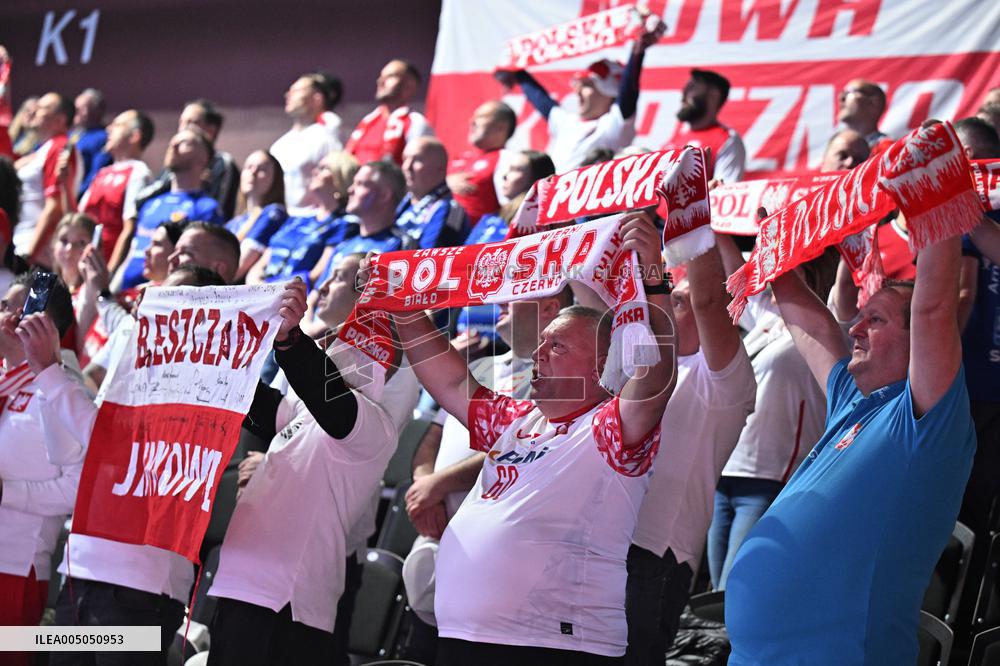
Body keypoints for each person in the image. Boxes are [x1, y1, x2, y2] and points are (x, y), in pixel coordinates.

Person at [391, 211, 676, 664]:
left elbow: (657, 374)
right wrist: (402, 308)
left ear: (602, 363)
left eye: (557, 346)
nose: (538, 354)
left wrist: (654, 279)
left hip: (551, 644)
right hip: (467, 638)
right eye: (541, 344)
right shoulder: (516, 421)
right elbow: (448, 384)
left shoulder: (608, 427)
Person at [725, 220, 977, 663]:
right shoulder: (853, 404)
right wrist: (775, 253)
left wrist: (938, 203)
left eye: (874, 320)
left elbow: (935, 307)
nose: (855, 329)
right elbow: (812, 326)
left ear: (919, 341)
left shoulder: (925, 421)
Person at [33, 268, 287, 666]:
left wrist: (49, 372)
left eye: (167, 298)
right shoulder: (136, 366)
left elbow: (109, 446)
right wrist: (45, 375)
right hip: (81, 571)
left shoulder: (216, 383)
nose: (149, 304)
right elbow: (69, 455)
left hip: (139, 591)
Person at [205, 279, 402, 666]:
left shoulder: (373, 426)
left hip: (287, 604)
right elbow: (254, 401)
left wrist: (290, 340)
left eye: (342, 342)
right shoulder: (308, 410)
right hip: (246, 589)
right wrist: (209, 339)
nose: (330, 343)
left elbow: (327, 395)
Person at [402, 289, 571, 640]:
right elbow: (431, 437)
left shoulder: (557, 382)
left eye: (517, 296)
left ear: (551, 307)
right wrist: (423, 485)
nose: (500, 303)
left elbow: (524, 446)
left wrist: (439, 486)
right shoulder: (476, 366)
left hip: (489, 550)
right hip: (433, 528)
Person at [624, 237, 756, 664]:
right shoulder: (650, 360)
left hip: (657, 556)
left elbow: (707, 301)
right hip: (612, 539)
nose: (664, 306)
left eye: (678, 302)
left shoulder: (723, 378)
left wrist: (693, 225)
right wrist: (647, 265)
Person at [706, 240, 836, 591]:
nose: (771, 272)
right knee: (713, 596)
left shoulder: (826, 327)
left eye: (785, 267)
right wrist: (717, 220)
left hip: (770, 480)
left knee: (734, 591)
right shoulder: (767, 315)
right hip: (726, 471)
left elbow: (846, 297)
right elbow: (738, 272)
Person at [0, 272, 79, 666]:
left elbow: (76, 491)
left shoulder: (59, 392)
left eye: (21, 308)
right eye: (4, 306)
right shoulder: (3, 382)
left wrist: (7, 492)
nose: (8, 316)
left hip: (15, 566)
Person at [498, 17, 663, 172]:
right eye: (578, 85)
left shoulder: (613, 126)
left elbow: (628, 94)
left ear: (609, 91)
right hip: (551, 197)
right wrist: (516, 70)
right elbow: (541, 100)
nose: (577, 91)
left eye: (587, 85)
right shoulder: (567, 122)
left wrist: (637, 50)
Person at [454, 150, 556, 352]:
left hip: (508, 341)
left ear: (537, 179)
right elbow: (459, 268)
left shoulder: (543, 225)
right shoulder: (488, 220)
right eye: (506, 169)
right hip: (465, 334)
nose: (505, 176)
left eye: (517, 170)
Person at [112, 127, 223, 292]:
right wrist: (112, 287)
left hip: (163, 298)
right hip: (126, 293)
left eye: (184, 143)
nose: (174, 145)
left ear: (203, 158)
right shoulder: (151, 203)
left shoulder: (206, 208)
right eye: (173, 141)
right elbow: (133, 251)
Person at [246, 151, 359, 285]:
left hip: (294, 295)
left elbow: (317, 275)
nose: (314, 172)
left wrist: (274, 289)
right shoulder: (298, 220)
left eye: (324, 168)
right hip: (261, 290)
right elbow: (262, 263)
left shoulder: (344, 225)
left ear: (341, 179)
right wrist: (256, 284)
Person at [309, 160, 415, 287]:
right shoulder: (343, 244)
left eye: (360, 184)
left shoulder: (403, 247)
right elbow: (316, 295)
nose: (350, 190)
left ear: (384, 195)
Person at [136, 99, 240, 219]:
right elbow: (140, 201)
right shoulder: (174, 162)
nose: (183, 128)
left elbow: (219, 210)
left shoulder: (222, 163)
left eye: (191, 122)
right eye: (181, 122)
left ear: (211, 130)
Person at [78, 109, 155, 270]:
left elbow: (130, 229)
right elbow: (78, 219)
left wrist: (110, 276)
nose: (108, 129)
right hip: (83, 266)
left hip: (106, 270)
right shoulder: (102, 172)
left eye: (118, 125)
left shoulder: (139, 172)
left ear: (135, 136)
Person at [13, 91, 81, 266]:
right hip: (21, 244)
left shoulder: (60, 147)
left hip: (33, 252)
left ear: (60, 119)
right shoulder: (43, 150)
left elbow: (55, 207)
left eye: (43, 107)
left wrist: (29, 256)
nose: (35, 110)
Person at [270, 74, 343, 211]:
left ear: (317, 99)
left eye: (296, 91)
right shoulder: (279, 145)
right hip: (283, 221)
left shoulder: (326, 138)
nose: (288, 96)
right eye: (288, 91)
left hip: (311, 220)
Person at [663, 69, 746, 183]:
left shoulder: (727, 140)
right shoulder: (677, 135)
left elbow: (725, 193)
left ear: (713, 95)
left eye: (692, 88)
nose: (683, 95)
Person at [345, 59, 433, 166]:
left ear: (409, 86)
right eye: (381, 76)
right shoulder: (368, 122)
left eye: (390, 76)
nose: (380, 81)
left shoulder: (415, 123)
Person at [446, 100, 516, 224]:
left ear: (500, 127)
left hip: (474, 239)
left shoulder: (507, 159)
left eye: (480, 117)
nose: (471, 122)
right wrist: (446, 184)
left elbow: (512, 209)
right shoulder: (460, 158)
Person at [397, 137, 469, 249]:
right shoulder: (401, 203)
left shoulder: (450, 209)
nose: (407, 167)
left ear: (440, 167)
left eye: (417, 160)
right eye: (405, 159)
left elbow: (429, 260)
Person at [226, 150, 287, 281]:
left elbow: (241, 265)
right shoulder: (234, 222)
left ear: (276, 179)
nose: (253, 172)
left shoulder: (274, 213)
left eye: (262, 169)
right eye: (248, 167)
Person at [71, 88, 109, 193]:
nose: (77, 112)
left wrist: (77, 196)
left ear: (97, 111)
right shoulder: (73, 134)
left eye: (82, 108)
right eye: (76, 108)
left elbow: (95, 174)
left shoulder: (103, 137)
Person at [836, 79, 891, 150]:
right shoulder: (835, 148)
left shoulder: (887, 150)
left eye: (848, 92)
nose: (841, 98)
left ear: (874, 101)